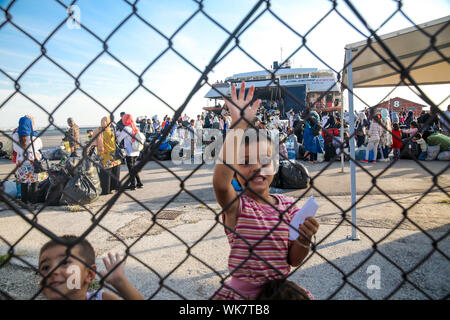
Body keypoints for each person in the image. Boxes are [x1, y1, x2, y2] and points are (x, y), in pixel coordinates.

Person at [212, 81, 319, 300]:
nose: (256, 167)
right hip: (242, 295)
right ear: (234, 170)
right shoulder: (238, 206)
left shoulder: (288, 205)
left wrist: (304, 239)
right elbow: (221, 185)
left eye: (264, 160)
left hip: (279, 293)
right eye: (245, 162)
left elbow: (293, 260)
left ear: (275, 165)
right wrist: (239, 125)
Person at [38, 235, 144, 300]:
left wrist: (119, 282)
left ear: (89, 274)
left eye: (65, 262)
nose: (52, 271)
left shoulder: (102, 298)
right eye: (46, 267)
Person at [12, 116, 49, 205]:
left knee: (23, 183)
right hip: (33, 163)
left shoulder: (15, 136)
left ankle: (24, 201)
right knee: (34, 183)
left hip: (21, 163)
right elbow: (40, 146)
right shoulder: (34, 137)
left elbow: (15, 149)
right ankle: (33, 202)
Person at [93, 116, 122, 195]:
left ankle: (106, 190)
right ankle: (113, 188)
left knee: (105, 174)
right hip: (114, 154)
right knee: (114, 172)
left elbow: (94, 142)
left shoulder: (99, 130)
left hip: (104, 156)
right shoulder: (112, 129)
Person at [116, 114, 143, 191]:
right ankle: (139, 183)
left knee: (131, 169)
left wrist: (117, 133)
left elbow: (119, 139)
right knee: (133, 168)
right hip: (136, 151)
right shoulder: (135, 127)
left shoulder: (127, 128)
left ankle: (132, 184)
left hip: (129, 151)